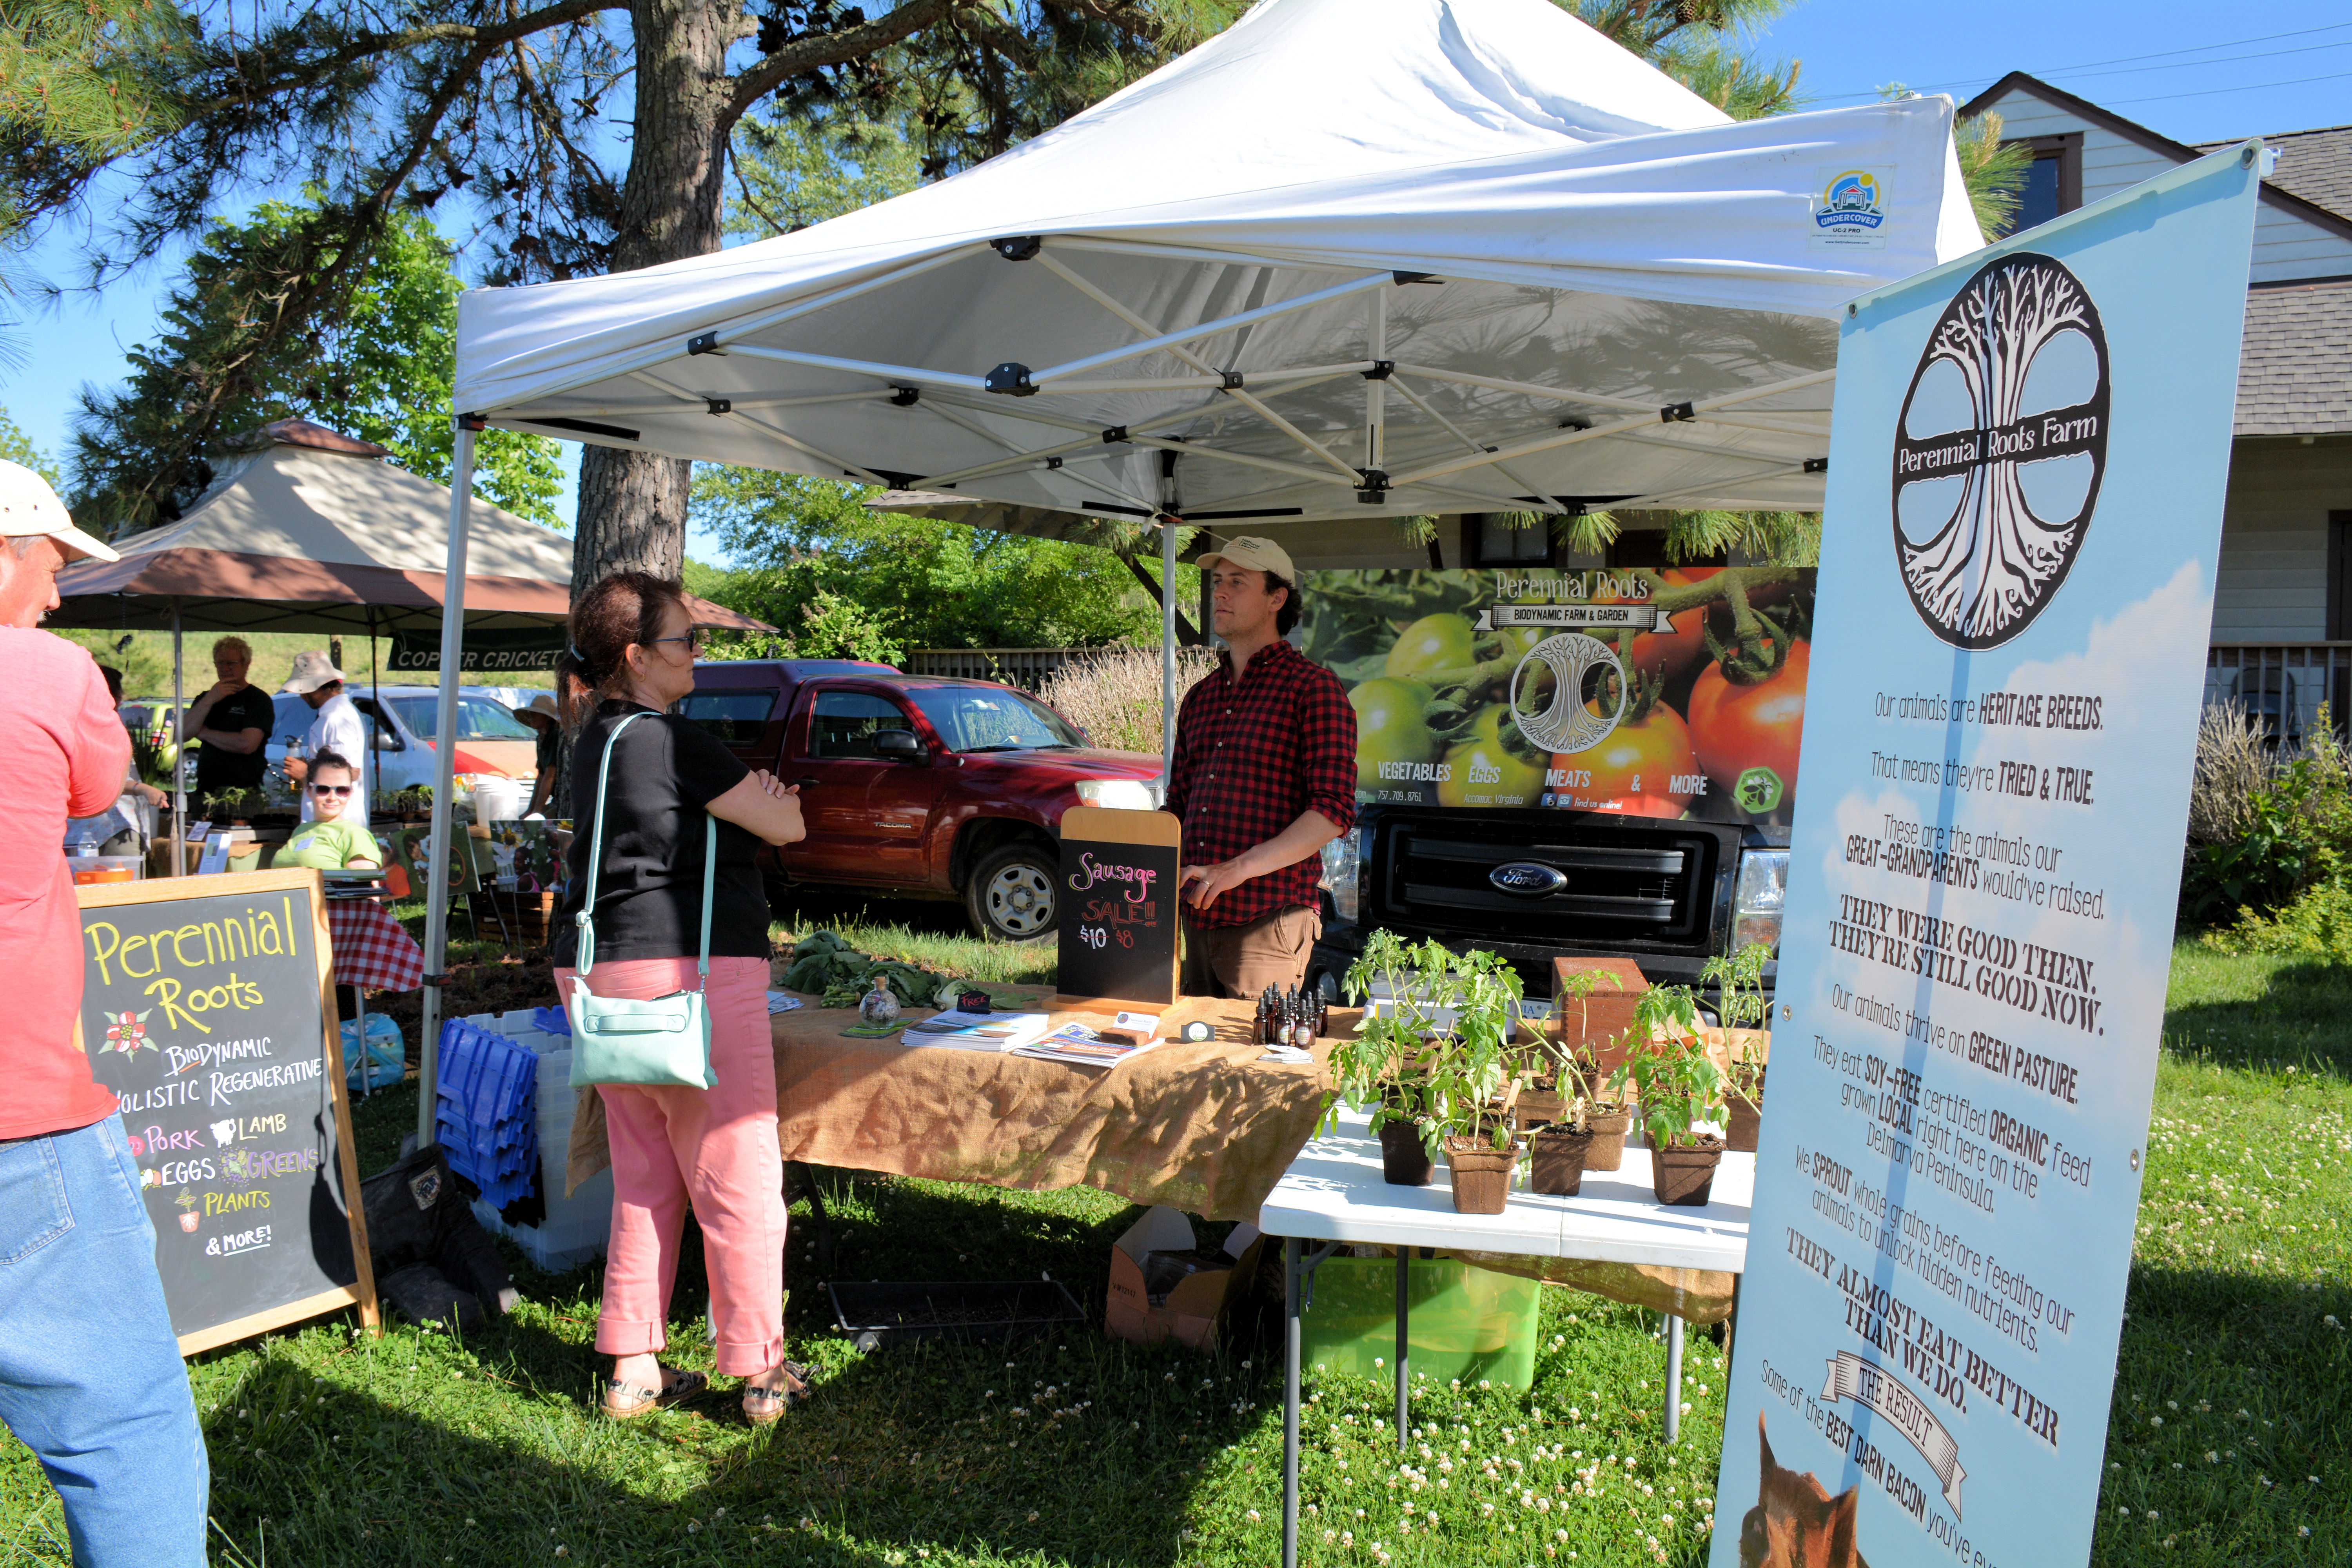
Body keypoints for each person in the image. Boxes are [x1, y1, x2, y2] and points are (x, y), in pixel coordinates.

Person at [0, 458, 210, 1563]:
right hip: (18, 1117)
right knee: (125, 1436)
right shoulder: (45, 671)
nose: (58, 591)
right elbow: (96, 790)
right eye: (48, 562)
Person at [551, 571, 808, 1423]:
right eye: (684, 640)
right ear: (635, 655)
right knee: (739, 1174)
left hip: (601, 975)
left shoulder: (594, 737)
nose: (698, 652)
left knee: (643, 1172)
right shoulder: (673, 739)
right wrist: (765, 803)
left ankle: (634, 1366)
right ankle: (759, 1367)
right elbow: (787, 824)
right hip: (691, 978)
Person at [1164, 536, 1357, 998]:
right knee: (1187, 1063)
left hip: (1268, 923)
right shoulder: (1200, 696)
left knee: (1248, 1065)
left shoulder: (1313, 688)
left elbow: (1332, 811)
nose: (1220, 593)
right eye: (1217, 582)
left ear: (1277, 598)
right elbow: (1178, 804)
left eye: (1237, 582)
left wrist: (1238, 868)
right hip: (1195, 921)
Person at [179, 634, 273, 815]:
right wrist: (210, 699)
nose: (225, 669)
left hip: (243, 796)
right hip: (205, 793)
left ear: (246, 664)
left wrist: (205, 733)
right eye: (220, 664)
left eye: (231, 663)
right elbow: (182, 735)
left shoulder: (258, 700)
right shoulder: (206, 698)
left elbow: (247, 744)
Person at [281, 649, 370, 826]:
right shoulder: (335, 714)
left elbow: (349, 773)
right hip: (330, 823)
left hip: (337, 826)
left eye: (306, 690)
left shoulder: (337, 718)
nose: (302, 696)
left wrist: (306, 773)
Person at [275, 750, 382, 869]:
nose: (332, 798)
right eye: (323, 789)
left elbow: (361, 883)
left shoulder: (354, 834)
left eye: (342, 790)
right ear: (309, 790)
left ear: (350, 792)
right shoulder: (301, 830)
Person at [516, 691, 565, 817]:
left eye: (535, 714)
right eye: (531, 713)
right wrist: (530, 810)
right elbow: (541, 776)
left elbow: (550, 775)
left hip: (559, 799)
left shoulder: (554, 736)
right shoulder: (541, 738)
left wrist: (537, 812)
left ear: (546, 717)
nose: (531, 717)